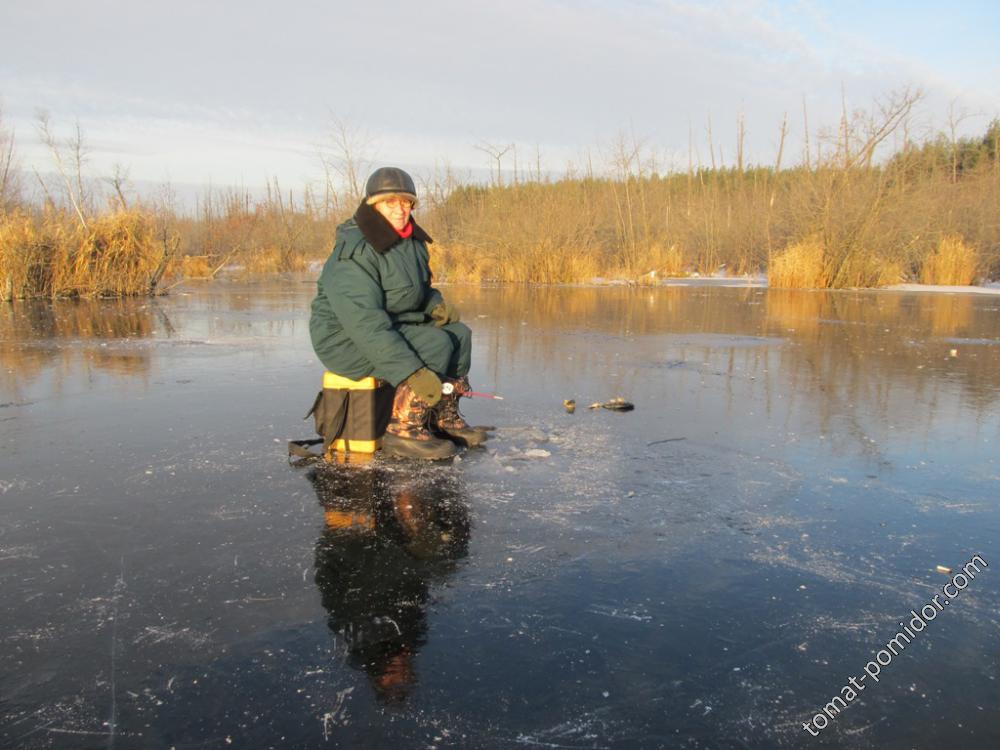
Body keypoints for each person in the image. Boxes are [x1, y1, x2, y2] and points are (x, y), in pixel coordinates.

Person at [309, 167, 487, 459]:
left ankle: (441, 418)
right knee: (436, 344)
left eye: (406, 202)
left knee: (458, 334)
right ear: (373, 205)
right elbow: (366, 325)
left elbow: (419, 289)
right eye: (390, 202)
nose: (400, 209)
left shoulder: (411, 242)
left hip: (390, 324)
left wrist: (435, 306)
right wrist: (414, 373)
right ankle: (402, 430)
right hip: (345, 339)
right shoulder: (355, 253)